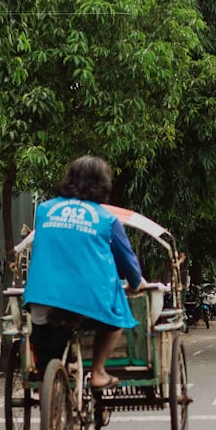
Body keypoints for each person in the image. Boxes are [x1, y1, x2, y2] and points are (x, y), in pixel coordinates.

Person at [23, 155, 146, 390]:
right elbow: (128, 262)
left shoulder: (44, 210)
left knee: (46, 350)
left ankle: (48, 384)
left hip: (43, 297)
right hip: (91, 301)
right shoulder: (107, 218)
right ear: (103, 184)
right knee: (115, 318)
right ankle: (98, 372)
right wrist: (136, 282)